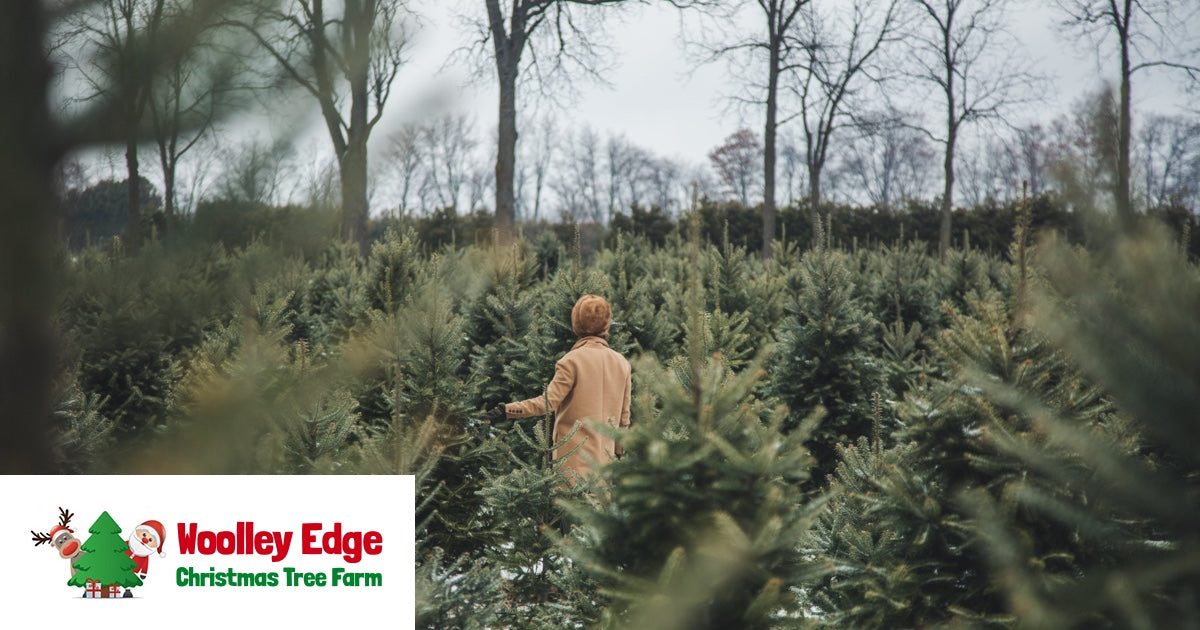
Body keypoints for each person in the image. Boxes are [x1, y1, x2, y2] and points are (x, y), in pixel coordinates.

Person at [489, 294, 631, 484]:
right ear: (606, 324)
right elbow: (624, 419)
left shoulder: (571, 361)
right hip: (605, 466)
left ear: (577, 323)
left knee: (570, 511)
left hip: (573, 463)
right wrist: (618, 452)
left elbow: (546, 403)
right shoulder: (622, 363)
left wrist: (506, 410)